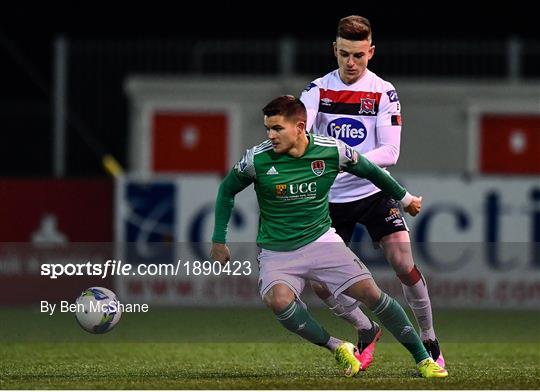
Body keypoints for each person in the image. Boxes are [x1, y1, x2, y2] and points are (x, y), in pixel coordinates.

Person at [210, 95, 447, 378]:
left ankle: (423, 359)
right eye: (268, 129)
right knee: (279, 301)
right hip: (277, 252)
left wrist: (404, 199)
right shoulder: (256, 160)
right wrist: (218, 240)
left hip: (323, 242)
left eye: (276, 128)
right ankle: (337, 347)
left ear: (300, 127)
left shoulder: (332, 151)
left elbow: (373, 172)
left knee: (372, 294)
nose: (270, 135)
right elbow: (226, 190)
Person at [299, 15, 445, 370]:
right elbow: (300, 131)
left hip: (373, 189)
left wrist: (339, 157)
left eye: (359, 56)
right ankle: (366, 329)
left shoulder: (383, 91)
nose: (351, 63)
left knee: (402, 262)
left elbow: (390, 152)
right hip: (329, 199)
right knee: (320, 284)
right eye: (345, 54)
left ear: (371, 52)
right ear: (334, 49)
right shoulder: (317, 89)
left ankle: (429, 338)